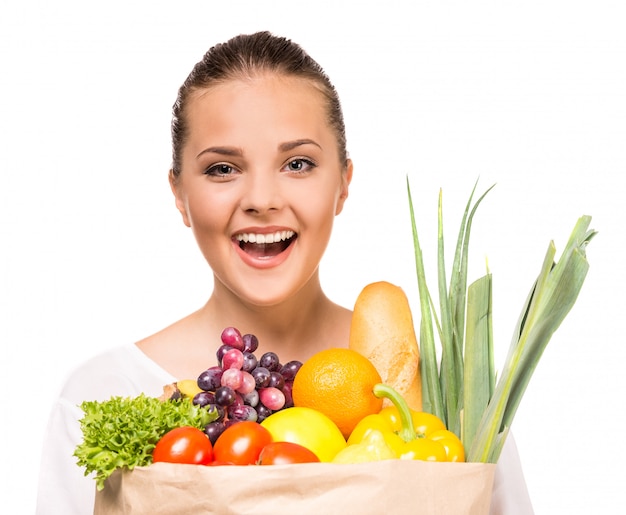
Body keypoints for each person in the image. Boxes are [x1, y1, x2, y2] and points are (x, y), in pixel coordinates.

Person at [36, 31, 533, 514]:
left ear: (343, 183)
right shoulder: (100, 392)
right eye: (222, 169)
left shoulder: (452, 401)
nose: (262, 200)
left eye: (297, 163)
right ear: (178, 194)